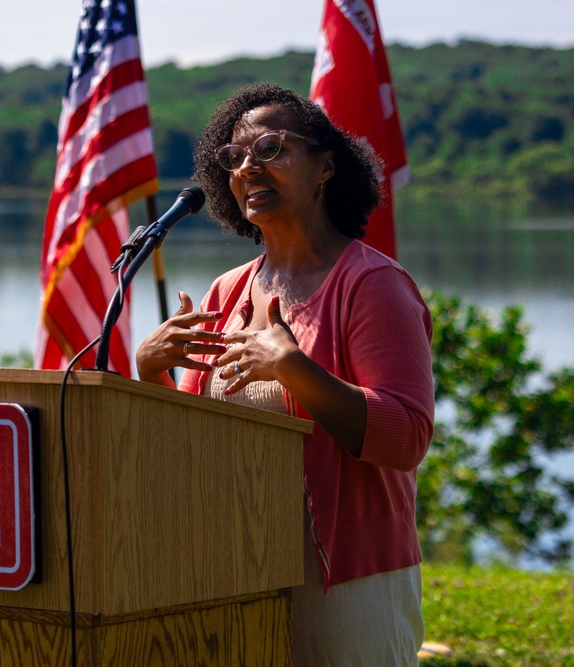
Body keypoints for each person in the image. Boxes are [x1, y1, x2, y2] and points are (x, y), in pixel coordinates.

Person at [135, 83, 435, 665]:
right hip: (236, 571)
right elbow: (192, 443)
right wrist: (150, 374)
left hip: (346, 582)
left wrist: (292, 367)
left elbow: (405, 439)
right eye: (235, 156)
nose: (249, 167)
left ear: (325, 166)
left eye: (271, 148)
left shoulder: (371, 285)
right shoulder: (228, 291)